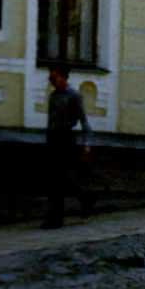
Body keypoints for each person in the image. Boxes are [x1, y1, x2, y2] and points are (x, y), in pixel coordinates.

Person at [41, 67, 93, 229]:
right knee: (55, 179)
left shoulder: (74, 96)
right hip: (53, 138)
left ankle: (56, 219)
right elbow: (51, 120)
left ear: (64, 78)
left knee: (60, 179)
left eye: (54, 78)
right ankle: (86, 197)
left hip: (66, 139)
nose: (51, 82)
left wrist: (87, 143)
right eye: (50, 78)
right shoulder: (53, 96)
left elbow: (84, 120)